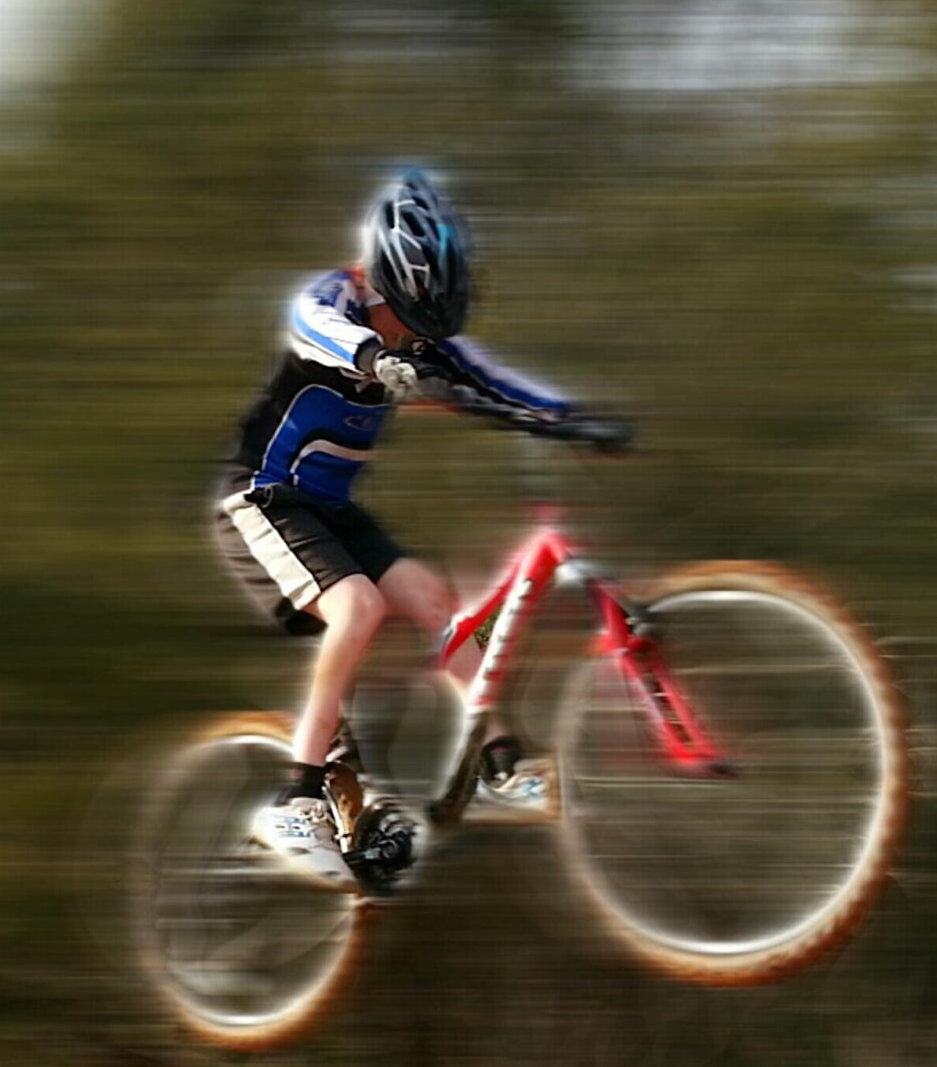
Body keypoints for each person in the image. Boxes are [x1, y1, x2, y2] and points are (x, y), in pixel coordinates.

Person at [212, 168, 629, 891]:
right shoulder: (332, 301)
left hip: (332, 511)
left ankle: (497, 767)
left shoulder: (428, 342)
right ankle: (296, 796)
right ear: (384, 281)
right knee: (361, 609)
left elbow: (497, 381)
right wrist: (375, 358)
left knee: (438, 602)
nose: (418, 341)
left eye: (430, 331)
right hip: (263, 501)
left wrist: (570, 417)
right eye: (409, 322)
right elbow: (314, 326)